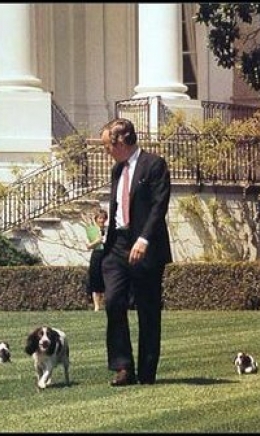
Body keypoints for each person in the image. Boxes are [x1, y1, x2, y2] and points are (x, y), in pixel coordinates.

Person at [100, 117, 172, 387]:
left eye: (107, 144)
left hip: (146, 246)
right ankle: (122, 366)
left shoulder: (154, 165)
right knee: (114, 301)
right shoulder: (117, 170)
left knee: (148, 309)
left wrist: (144, 239)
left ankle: (147, 372)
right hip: (117, 244)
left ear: (121, 141)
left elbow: (158, 206)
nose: (106, 150)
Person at [85, 208, 108, 311]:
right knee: (95, 280)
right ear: (96, 219)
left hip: (107, 254)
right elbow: (89, 245)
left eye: (103, 218)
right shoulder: (92, 230)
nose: (101, 220)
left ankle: (107, 304)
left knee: (107, 279)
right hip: (97, 255)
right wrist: (97, 241)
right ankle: (97, 306)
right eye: (99, 218)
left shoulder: (108, 230)